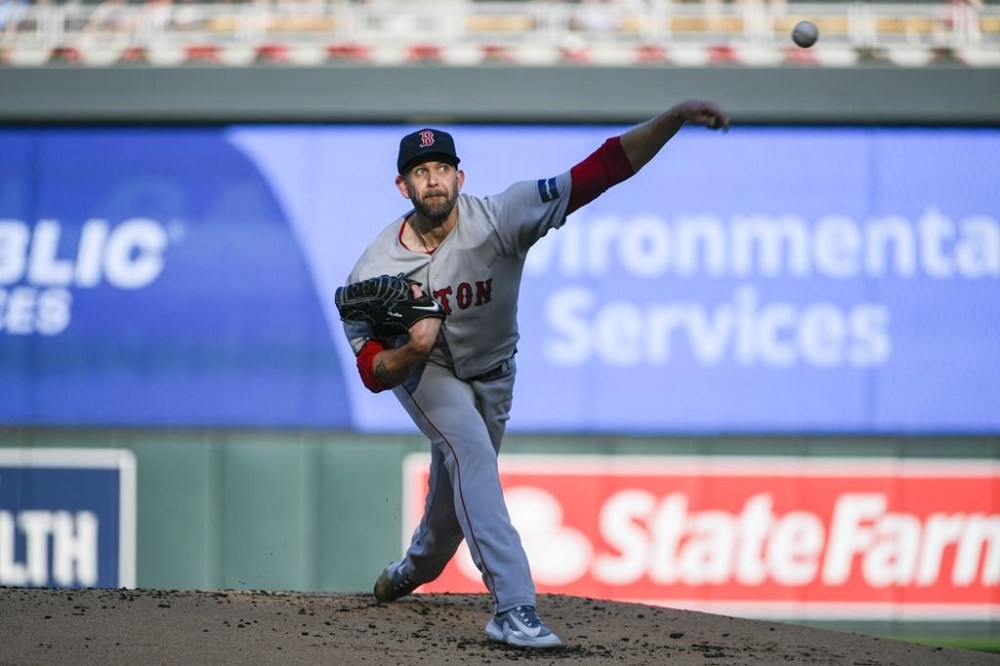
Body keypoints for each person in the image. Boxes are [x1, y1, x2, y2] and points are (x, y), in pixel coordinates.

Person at [341, 99, 730, 649]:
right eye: (420, 171)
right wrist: (408, 353)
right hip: (426, 372)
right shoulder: (375, 267)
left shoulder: (502, 216)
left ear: (459, 176)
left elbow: (603, 169)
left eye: (442, 168)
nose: (433, 179)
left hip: (496, 374)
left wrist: (674, 117)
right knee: (471, 452)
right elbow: (371, 369)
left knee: (455, 505)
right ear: (403, 186)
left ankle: (415, 568)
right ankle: (513, 607)